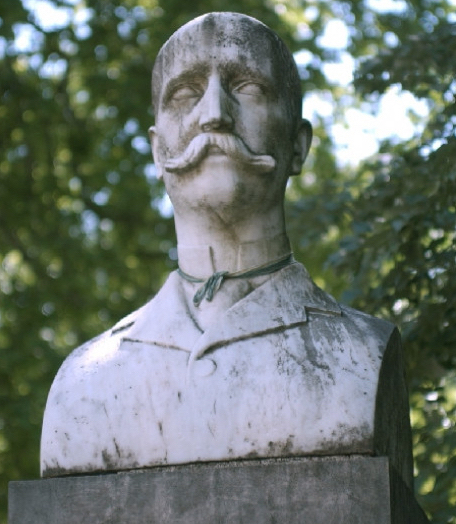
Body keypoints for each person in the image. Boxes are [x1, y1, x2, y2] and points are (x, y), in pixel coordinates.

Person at [40, 12, 413, 488]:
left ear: (298, 146)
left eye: (248, 88)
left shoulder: (364, 357)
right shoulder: (81, 384)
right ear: (158, 152)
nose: (213, 112)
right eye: (185, 93)